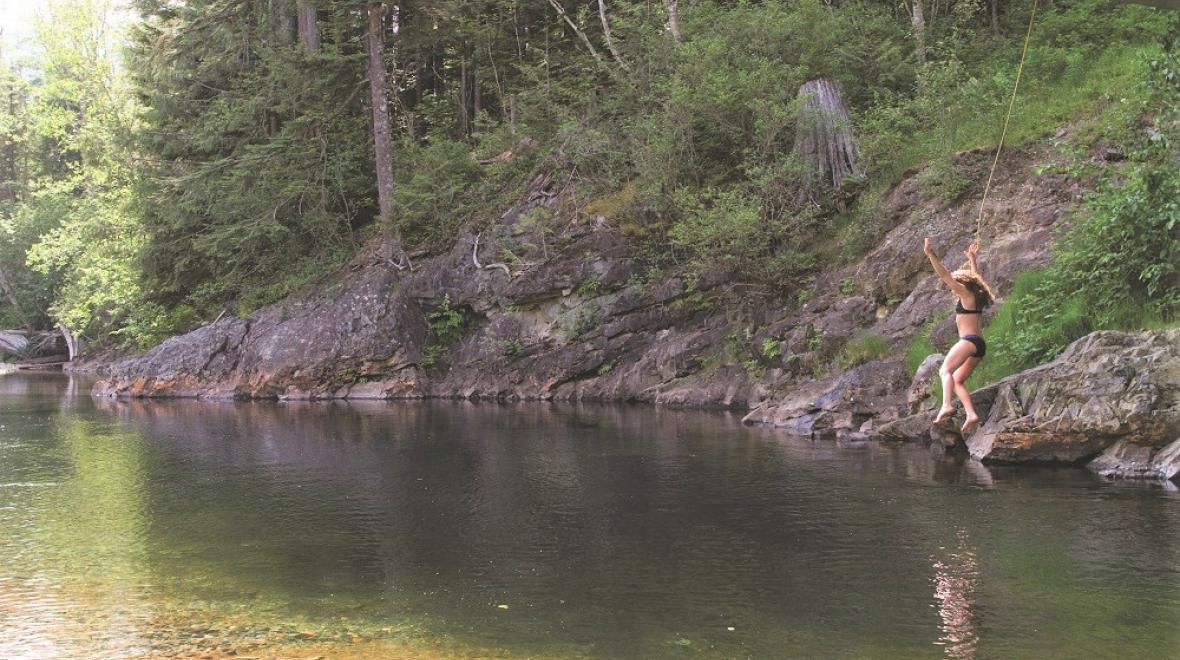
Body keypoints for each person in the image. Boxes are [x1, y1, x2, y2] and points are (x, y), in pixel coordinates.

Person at [923, 238, 996, 434]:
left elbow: (944, 275)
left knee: (944, 371)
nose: (952, 287)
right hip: (979, 345)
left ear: (963, 284)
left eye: (956, 283)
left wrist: (930, 254)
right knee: (956, 379)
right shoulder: (976, 296)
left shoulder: (965, 295)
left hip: (969, 341)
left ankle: (946, 405)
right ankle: (971, 414)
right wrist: (972, 259)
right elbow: (977, 277)